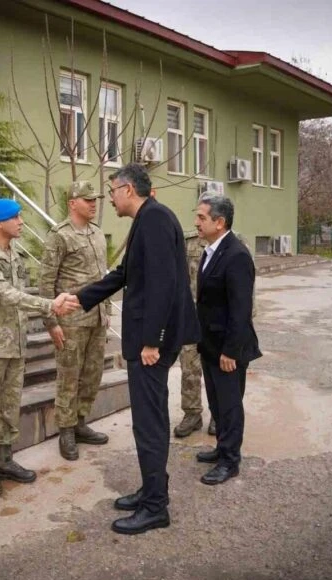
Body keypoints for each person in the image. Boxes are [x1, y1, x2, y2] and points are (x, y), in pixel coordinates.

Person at [75, 163, 199, 535]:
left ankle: (155, 507)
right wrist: (79, 298)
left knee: (149, 422)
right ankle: (150, 489)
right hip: (150, 339)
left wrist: (152, 341)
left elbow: (163, 284)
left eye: (112, 190)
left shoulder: (156, 220)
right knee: (149, 419)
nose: (108, 197)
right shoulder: (148, 219)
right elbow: (125, 274)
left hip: (152, 344)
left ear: (128, 190)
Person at [0, 198, 78, 496]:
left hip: (15, 344)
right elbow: (6, 294)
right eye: (15, 218)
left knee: (9, 406)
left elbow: (23, 292)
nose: (21, 222)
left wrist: (49, 315)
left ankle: (5, 458)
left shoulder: (15, 253)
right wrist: (50, 304)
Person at [39, 181, 111, 461]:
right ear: (72, 203)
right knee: (68, 377)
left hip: (97, 318)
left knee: (92, 375)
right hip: (70, 320)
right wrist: (51, 322)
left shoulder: (97, 233)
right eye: (88, 199)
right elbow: (46, 283)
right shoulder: (59, 236)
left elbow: (102, 279)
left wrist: (106, 315)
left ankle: (80, 422)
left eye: (95, 200)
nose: (94, 203)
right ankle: (66, 430)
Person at [194, 193, 261, 485]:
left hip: (229, 349)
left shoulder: (236, 255)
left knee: (230, 406)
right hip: (211, 346)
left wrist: (231, 351)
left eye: (201, 217)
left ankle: (230, 461)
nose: (196, 222)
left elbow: (241, 309)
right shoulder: (211, 250)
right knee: (217, 403)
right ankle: (222, 448)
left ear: (219, 222)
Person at [173, 231, 216, 438]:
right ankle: (192, 414)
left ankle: (218, 414)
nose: (198, 221)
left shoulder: (233, 243)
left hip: (217, 320)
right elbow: (175, 276)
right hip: (191, 317)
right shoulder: (187, 242)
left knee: (217, 370)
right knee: (189, 367)